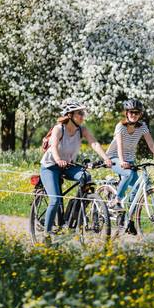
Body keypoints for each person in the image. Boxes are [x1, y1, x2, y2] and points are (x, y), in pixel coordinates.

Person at [39, 100, 112, 236]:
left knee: (86, 177)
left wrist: (106, 158)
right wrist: (58, 160)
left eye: (83, 113)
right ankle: (46, 233)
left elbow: (94, 143)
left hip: (67, 166)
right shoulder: (59, 128)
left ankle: (74, 214)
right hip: (50, 166)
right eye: (80, 113)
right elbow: (53, 146)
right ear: (70, 115)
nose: (82, 116)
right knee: (55, 199)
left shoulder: (82, 130)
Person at [106, 99, 154, 208]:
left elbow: (151, 145)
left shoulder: (142, 127)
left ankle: (127, 217)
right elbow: (119, 145)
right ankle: (117, 200)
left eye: (137, 112)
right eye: (131, 112)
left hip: (129, 159)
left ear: (140, 114)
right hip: (114, 158)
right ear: (126, 113)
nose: (134, 115)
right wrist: (122, 161)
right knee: (128, 174)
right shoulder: (120, 126)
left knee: (138, 186)